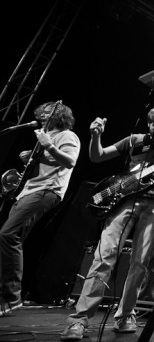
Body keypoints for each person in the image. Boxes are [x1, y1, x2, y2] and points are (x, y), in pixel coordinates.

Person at [61, 107, 154, 340]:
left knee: (140, 263)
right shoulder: (135, 140)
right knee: (104, 256)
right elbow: (97, 156)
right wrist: (96, 135)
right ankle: (79, 319)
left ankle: (126, 315)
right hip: (125, 201)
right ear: (149, 124)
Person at [0, 101, 80, 316]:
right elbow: (45, 163)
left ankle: (11, 297)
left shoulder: (67, 136)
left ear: (59, 116)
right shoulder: (43, 139)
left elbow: (70, 161)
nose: (42, 116)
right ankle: (5, 295)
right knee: (10, 241)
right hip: (28, 191)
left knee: (8, 235)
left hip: (46, 191)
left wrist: (49, 146)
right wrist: (31, 158)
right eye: (41, 113)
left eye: (47, 113)